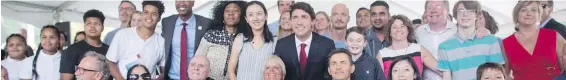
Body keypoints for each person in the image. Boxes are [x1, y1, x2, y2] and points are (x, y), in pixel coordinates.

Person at [437, 1, 505, 80]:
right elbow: (447, 77)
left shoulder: (491, 41)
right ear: (455, 15)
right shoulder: (444, 47)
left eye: (470, 11)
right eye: (461, 11)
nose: (465, 14)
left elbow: (497, 74)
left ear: (477, 16)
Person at [501, 1, 566, 80]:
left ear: (539, 14)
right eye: (523, 10)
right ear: (516, 15)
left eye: (533, 10)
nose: (528, 13)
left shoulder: (554, 35)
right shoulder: (506, 43)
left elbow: (564, 66)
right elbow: (507, 73)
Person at [274, 2, 336, 80]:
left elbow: (330, 75)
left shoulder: (327, 45)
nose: (299, 22)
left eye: (304, 17)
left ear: (312, 21)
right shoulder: (281, 45)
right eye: (295, 17)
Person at [106, 1, 166, 79]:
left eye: (154, 14)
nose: (149, 17)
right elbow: (110, 62)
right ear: (142, 15)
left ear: (159, 18)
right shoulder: (123, 34)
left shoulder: (161, 42)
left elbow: (164, 71)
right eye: (146, 12)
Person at [194, 1, 246, 80]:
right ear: (222, 15)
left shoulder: (246, 38)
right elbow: (196, 61)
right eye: (227, 11)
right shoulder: (211, 35)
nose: (231, 13)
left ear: (242, 15)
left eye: (235, 10)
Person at [161, 0, 212, 79]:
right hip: (171, 77)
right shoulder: (167, 22)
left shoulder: (206, 24)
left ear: (193, 2)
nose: (181, 3)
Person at [227, 1, 276, 80]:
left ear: (266, 16)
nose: (255, 18)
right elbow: (231, 70)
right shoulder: (240, 38)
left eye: (259, 13)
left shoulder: (274, 41)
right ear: (246, 19)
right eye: (250, 15)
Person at [60, 9, 113, 80]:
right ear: (84, 26)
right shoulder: (71, 50)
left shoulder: (110, 50)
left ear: (102, 27)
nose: (92, 26)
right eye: (89, 23)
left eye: (96, 23)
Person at [377, 15, 434, 80]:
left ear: (408, 30)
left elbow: (441, 69)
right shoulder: (382, 54)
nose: (398, 29)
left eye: (402, 26)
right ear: (389, 32)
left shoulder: (418, 49)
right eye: (394, 27)